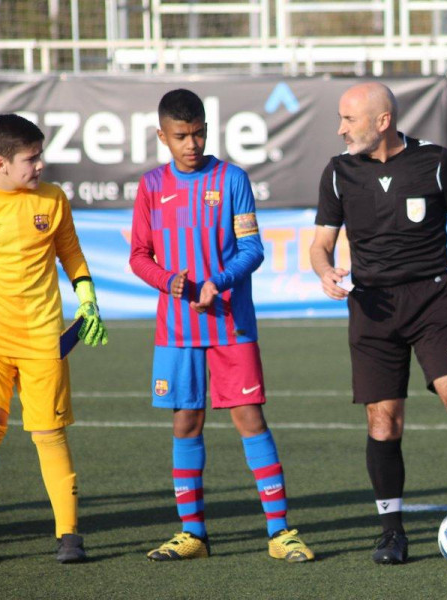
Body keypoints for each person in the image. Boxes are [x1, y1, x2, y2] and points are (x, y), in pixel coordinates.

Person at [310, 82, 447, 565]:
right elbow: (320, 243)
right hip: (371, 308)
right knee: (383, 420)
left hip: (431, 299)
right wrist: (325, 270)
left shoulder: (435, 161)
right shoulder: (338, 171)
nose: (341, 129)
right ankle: (392, 533)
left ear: (382, 121)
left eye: (349, 119)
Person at [129, 89, 313, 563]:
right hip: (177, 329)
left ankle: (280, 532)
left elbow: (252, 249)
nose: (191, 144)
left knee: (249, 418)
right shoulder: (151, 186)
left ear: (208, 130)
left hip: (231, 324)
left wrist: (219, 281)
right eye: (181, 136)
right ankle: (193, 535)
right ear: (162, 136)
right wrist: (170, 281)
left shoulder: (233, 178)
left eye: (198, 133)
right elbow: (138, 256)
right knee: (186, 421)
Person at [0, 113, 109, 563]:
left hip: (43, 342)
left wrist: (88, 297)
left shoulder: (53, 199)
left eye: (41, 156)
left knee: (48, 435)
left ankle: (69, 536)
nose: (40, 166)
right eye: (31, 158)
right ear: (0, 163)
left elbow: (71, 253)